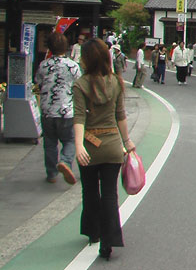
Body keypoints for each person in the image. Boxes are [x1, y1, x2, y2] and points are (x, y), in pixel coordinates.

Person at [73, 38, 135, 260]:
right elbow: (121, 115)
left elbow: (79, 117)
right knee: (110, 195)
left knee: (90, 191)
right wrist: (127, 142)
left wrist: (79, 145)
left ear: (88, 60)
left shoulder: (80, 84)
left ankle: (94, 232)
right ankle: (109, 242)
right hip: (112, 147)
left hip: (89, 146)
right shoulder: (116, 82)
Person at [35, 32, 81, 184]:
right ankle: (65, 162)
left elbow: (38, 83)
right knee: (69, 140)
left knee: (49, 142)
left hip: (47, 110)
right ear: (66, 47)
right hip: (66, 110)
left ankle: (52, 174)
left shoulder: (44, 65)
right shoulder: (73, 66)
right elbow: (79, 85)